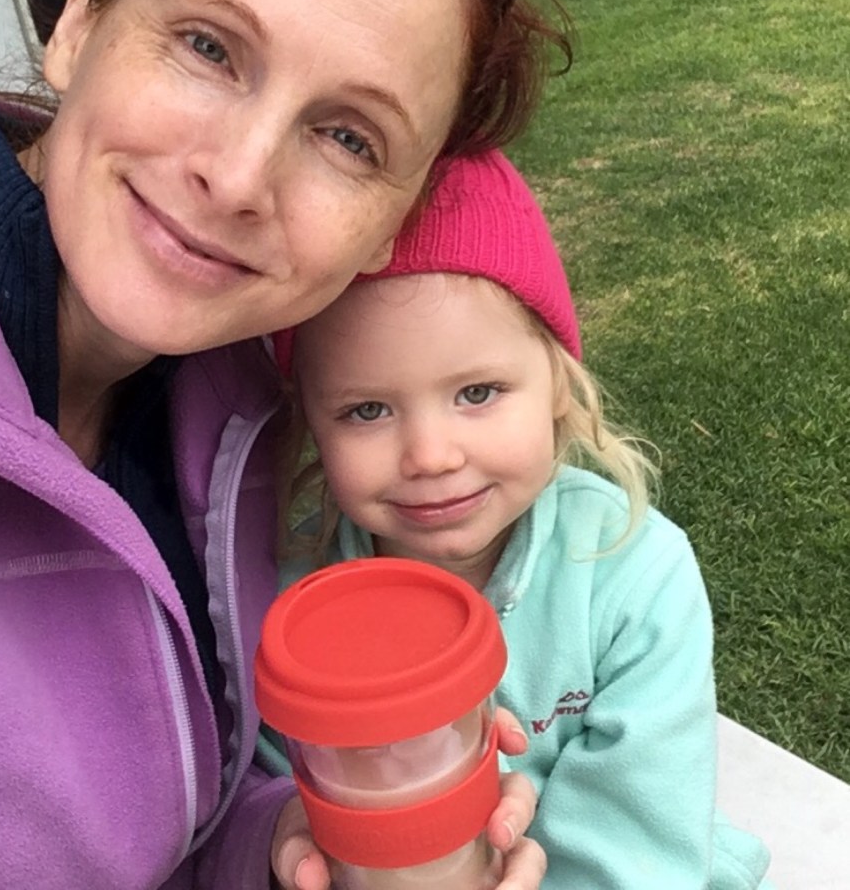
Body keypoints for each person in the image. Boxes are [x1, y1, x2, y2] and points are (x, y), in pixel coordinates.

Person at [0, 0, 569, 890]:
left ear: (395, 224)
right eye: (208, 47)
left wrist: (289, 841)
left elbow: (164, 814)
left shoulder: (241, 402)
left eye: (348, 137)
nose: (238, 177)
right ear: (80, 22)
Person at [267, 149, 775, 890]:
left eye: (477, 392)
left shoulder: (632, 576)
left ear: (559, 384)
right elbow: (278, 792)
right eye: (367, 410)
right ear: (311, 422)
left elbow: (640, 844)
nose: (431, 455)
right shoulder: (296, 611)